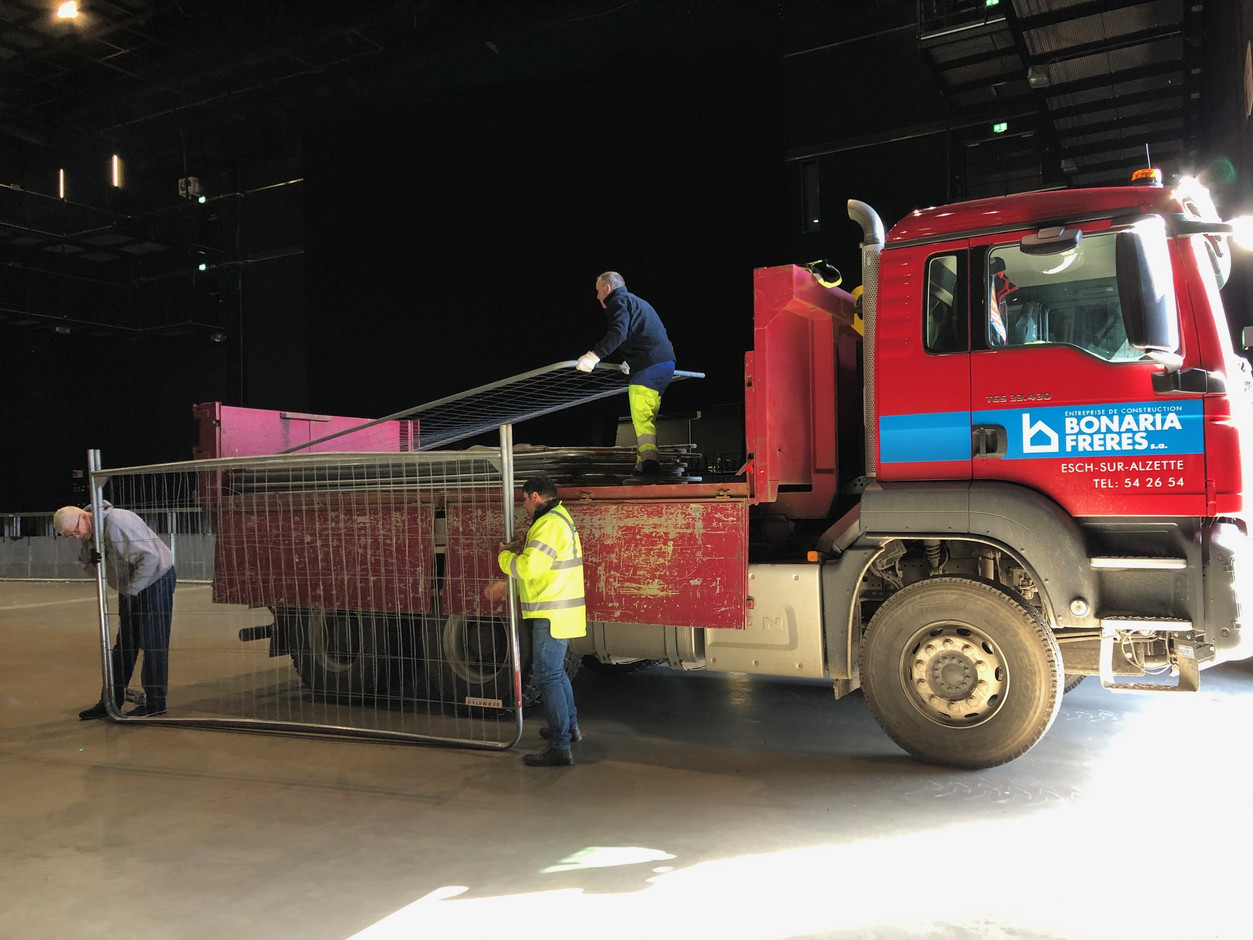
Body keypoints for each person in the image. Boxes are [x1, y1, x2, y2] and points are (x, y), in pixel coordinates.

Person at [488, 474, 586, 767]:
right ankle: (569, 728)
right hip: (560, 610)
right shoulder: (558, 518)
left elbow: (531, 567)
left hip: (551, 612)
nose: (524, 507)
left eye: (524, 500)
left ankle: (560, 746)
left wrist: (504, 557)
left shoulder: (548, 524)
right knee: (557, 673)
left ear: (535, 496)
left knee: (548, 676)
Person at [55, 503, 176, 719]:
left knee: (152, 643)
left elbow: (150, 558)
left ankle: (156, 703)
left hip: (156, 578)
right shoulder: (89, 534)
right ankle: (110, 701)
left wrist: (131, 592)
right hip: (130, 586)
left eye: (75, 531)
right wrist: (94, 564)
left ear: (84, 517)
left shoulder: (118, 522)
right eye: (69, 535)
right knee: (125, 646)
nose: (76, 537)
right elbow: (91, 566)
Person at [577, 271, 676, 481]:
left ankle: (650, 465)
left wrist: (594, 356)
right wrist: (631, 361)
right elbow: (645, 332)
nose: (597, 297)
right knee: (646, 414)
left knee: (641, 412)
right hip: (663, 363)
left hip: (652, 364)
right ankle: (643, 464)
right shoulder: (637, 301)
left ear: (607, 289)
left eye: (598, 292)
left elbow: (618, 333)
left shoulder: (618, 302)